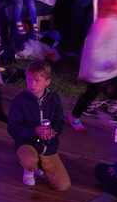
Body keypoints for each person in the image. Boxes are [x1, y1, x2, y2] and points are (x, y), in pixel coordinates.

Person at [69, 0, 117, 130]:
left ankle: (112, 103)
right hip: (98, 64)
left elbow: (116, 39)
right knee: (92, 91)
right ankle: (75, 115)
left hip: (112, 61)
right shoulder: (104, 22)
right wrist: (106, 62)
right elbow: (94, 46)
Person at [7, 60, 70, 191]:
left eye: (37, 80)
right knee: (29, 159)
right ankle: (30, 168)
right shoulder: (20, 100)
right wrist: (34, 130)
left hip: (48, 146)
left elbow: (59, 120)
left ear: (47, 82)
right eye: (29, 80)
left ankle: (41, 165)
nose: (32, 84)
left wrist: (54, 131)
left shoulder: (54, 98)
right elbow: (12, 128)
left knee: (63, 186)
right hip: (27, 143)